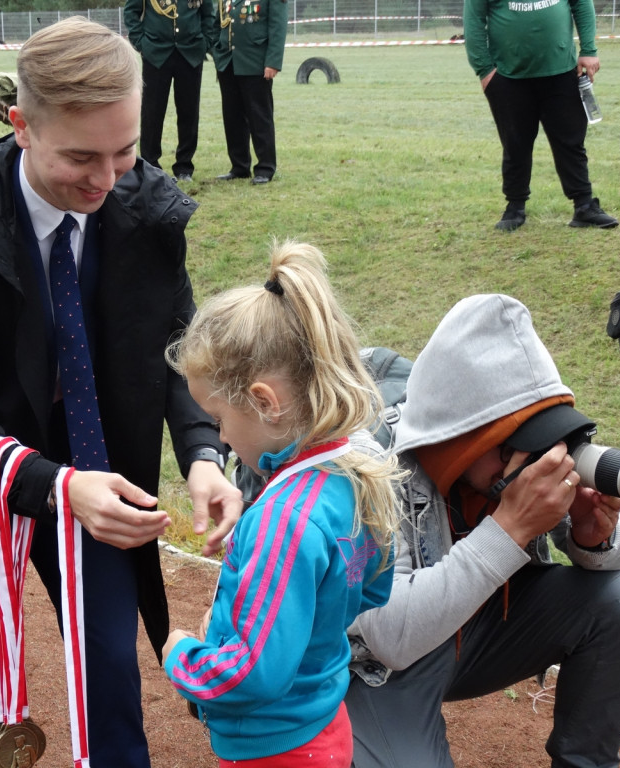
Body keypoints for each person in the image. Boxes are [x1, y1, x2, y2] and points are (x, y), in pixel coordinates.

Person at [0, 17, 243, 768]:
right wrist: (51, 486)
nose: (108, 180)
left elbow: (179, 349)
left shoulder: (142, 208)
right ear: (21, 127)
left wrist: (203, 452)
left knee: (111, 670)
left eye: (126, 150)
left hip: (94, 470)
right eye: (81, 156)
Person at [344, 293, 620, 768]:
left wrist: (595, 538)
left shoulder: (505, 460)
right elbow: (388, 636)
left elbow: (617, 554)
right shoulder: (364, 466)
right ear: (459, 438)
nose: (526, 461)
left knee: (618, 602)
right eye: (510, 445)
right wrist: (510, 529)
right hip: (373, 668)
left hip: (471, 634)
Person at [162, 240, 402, 767]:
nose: (221, 440)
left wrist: (183, 656)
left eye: (219, 420)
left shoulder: (283, 518)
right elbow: (370, 585)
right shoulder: (353, 476)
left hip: (273, 749)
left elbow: (253, 673)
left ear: (265, 403)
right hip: (324, 727)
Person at [463, 0, 619, 231]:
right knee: (515, 143)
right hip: (508, 76)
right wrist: (485, 70)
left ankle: (584, 206)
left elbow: (582, 5)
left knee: (571, 141)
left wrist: (588, 50)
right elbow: (473, 21)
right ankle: (514, 208)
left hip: (562, 71)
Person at [124, 0, 217, 182]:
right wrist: (141, 43)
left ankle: (184, 166)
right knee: (152, 113)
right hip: (156, 53)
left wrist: (205, 43)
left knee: (189, 112)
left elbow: (209, 16)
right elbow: (131, 12)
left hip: (190, 53)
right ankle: (150, 165)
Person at [212, 0, 287, 185]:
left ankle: (265, 168)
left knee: (259, 116)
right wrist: (216, 50)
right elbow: (217, 24)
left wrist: (273, 61)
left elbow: (278, 25)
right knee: (232, 117)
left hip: (255, 62)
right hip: (228, 62)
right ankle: (239, 167)